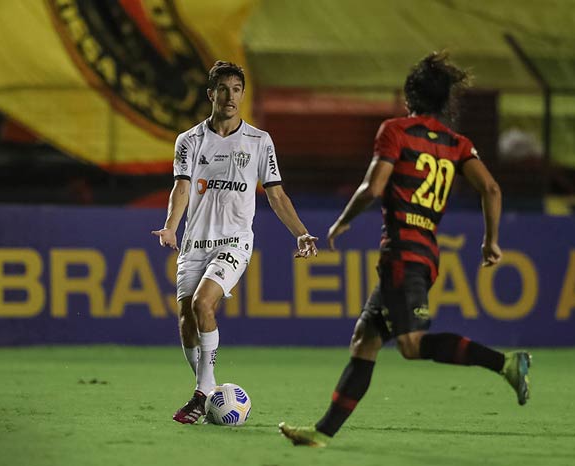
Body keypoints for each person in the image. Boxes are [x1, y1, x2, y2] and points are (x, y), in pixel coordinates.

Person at [279, 52, 531, 447]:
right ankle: (321, 432)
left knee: (411, 345)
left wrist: (343, 219)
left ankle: (506, 363)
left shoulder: (395, 130)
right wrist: (491, 239)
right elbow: (492, 188)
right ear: (445, 99)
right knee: (366, 338)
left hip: (403, 253)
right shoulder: (457, 143)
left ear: (409, 95)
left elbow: (374, 187)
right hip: (426, 251)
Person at [152, 61, 318, 424]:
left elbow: (276, 196)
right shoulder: (190, 140)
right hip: (195, 243)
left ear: (243, 94)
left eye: (237, 89)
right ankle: (208, 389)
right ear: (211, 94)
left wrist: (301, 232)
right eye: (223, 89)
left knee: (203, 304)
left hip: (234, 242)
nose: (230, 96)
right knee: (186, 319)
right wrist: (170, 227)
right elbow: (181, 187)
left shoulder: (259, 141)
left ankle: (201, 393)